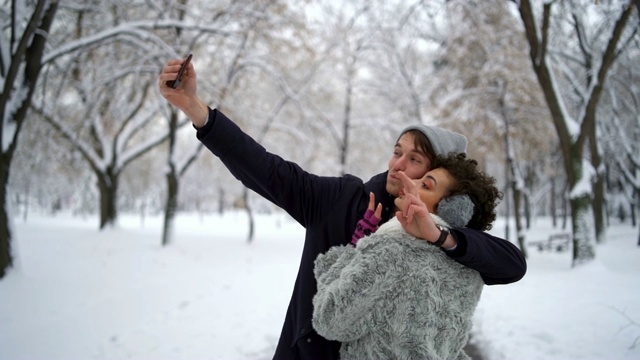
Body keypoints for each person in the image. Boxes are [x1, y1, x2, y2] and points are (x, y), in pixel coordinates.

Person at [158, 57, 526, 360]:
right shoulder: (343, 199)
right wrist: (196, 109)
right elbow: (267, 170)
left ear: (435, 175)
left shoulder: (445, 231)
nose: (398, 165)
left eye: (414, 160)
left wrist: (441, 237)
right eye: (397, 151)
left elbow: (511, 263)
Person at [312, 152, 501, 360]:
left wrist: (355, 249)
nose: (411, 182)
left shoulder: (391, 251)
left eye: (425, 185)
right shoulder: (470, 271)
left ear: (452, 210)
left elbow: (328, 320)